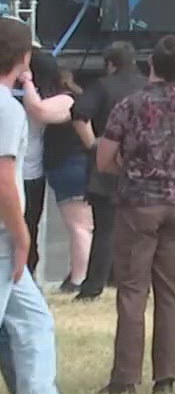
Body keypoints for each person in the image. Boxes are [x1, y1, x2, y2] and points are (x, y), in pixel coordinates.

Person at [0, 19, 105, 394]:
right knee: (30, 327)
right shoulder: (6, 108)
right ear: (24, 57)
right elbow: (4, 178)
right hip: (3, 237)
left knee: (34, 325)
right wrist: (22, 234)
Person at [93, 36, 175, 394]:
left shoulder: (129, 105)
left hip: (137, 204)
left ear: (150, 64)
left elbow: (104, 158)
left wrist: (132, 168)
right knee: (169, 292)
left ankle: (125, 377)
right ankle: (165, 377)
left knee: (133, 292)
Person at [73, 43, 143, 302]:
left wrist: (93, 144)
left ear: (110, 64)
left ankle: (93, 286)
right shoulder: (147, 86)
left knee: (105, 229)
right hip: (143, 164)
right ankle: (130, 281)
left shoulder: (103, 86)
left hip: (108, 162)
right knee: (139, 230)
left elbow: (79, 115)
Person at [32, 53, 89, 292]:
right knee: (80, 225)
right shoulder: (72, 95)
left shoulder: (66, 99)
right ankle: (78, 275)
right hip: (68, 164)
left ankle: (78, 278)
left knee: (79, 225)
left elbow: (40, 112)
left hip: (70, 164)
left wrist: (25, 86)